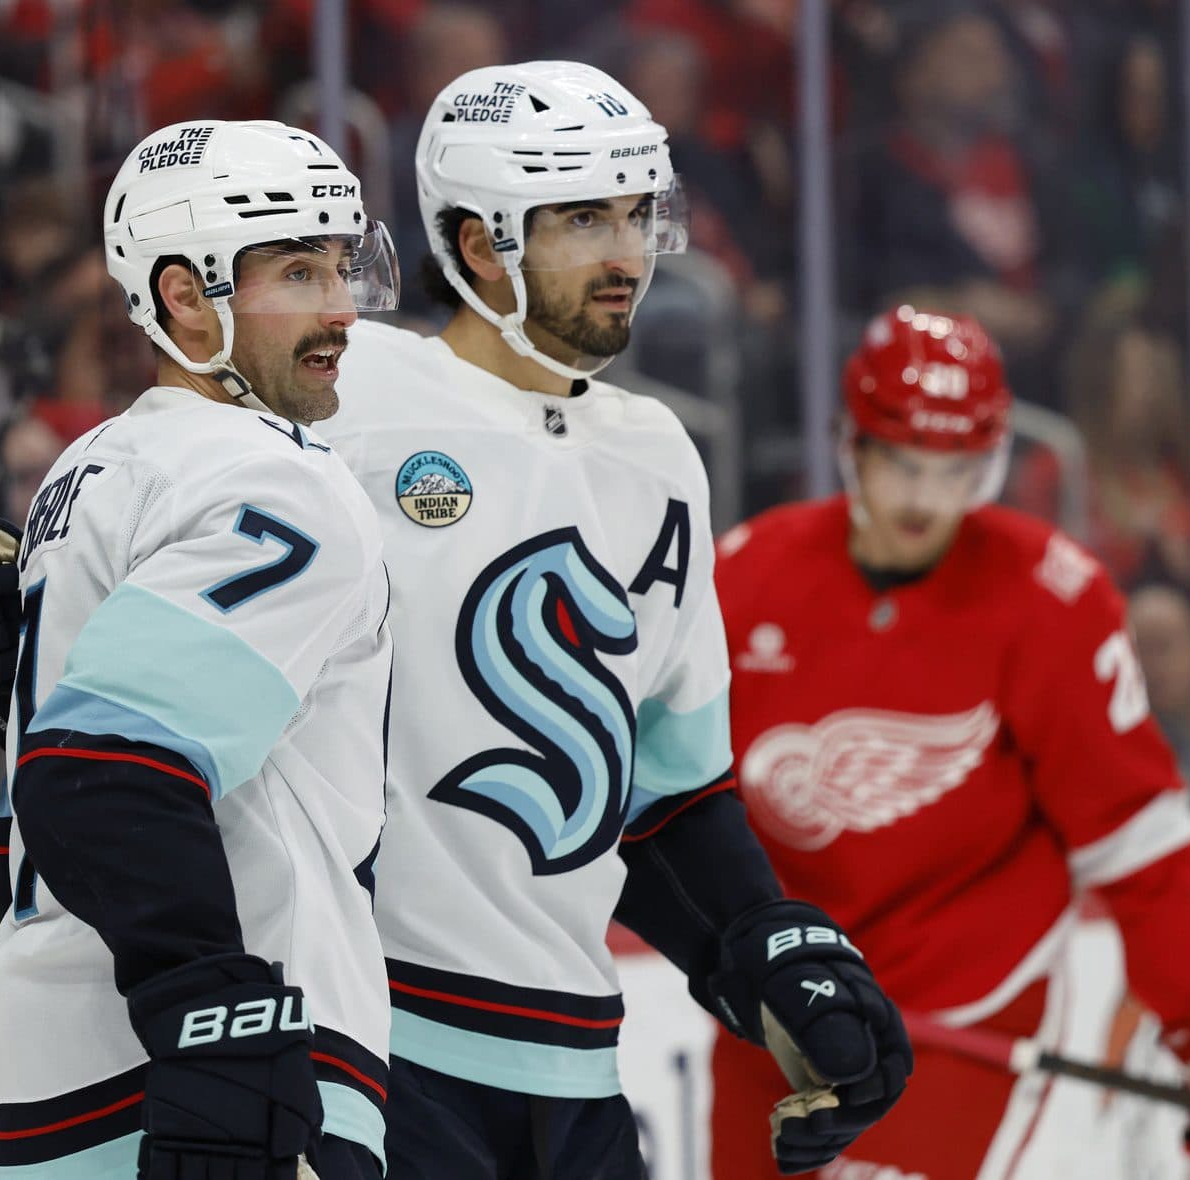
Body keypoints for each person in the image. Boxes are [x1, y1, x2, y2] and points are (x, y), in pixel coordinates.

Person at [313, 62, 908, 1178]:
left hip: (574, 1060)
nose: (630, 254)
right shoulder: (345, 399)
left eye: (640, 214)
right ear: (479, 243)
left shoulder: (658, 454)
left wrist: (765, 946)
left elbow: (665, 788)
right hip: (369, 1041)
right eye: (585, 219)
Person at [0, 119, 402, 1179]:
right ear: (184, 295)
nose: (342, 309)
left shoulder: (89, 469)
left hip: (42, 1071)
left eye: (341, 266)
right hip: (229, 1064)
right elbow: (103, 770)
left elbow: (61, 766)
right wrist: (210, 1007)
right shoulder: (277, 482)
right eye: (299, 272)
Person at [709, 305, 1190, 1180]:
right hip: (780, 1009)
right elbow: (676, 803)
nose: (925, 501)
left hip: (960, 1009)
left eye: (955, 471)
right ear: (851, 445)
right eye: (903, 464)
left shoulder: (1049, 599)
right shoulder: (744, 576)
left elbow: (1138, 844)